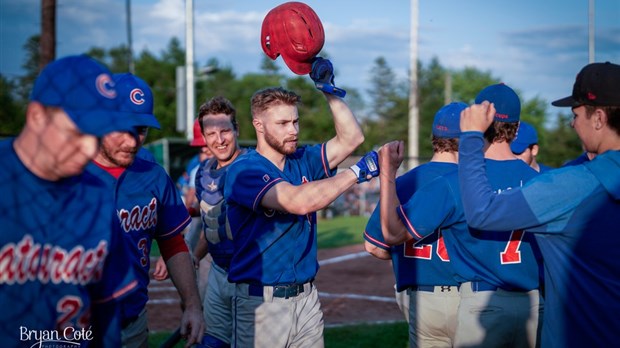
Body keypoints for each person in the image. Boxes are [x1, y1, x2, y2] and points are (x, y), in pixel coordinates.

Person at [457, 62, 620, 347]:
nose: (572, 123)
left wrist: (471, 138)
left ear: (599, 118)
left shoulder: (574, 185)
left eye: (576, 113)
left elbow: (482, 212)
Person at [381, 84, 543, 348]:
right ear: (517, 126)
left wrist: (388, 173)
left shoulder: (454, 182)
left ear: (476, 119)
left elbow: (393, 234)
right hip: (535, 306)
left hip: (483, 306)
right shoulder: (542, 181)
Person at [0, 55, 140, 347]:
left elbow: (107, 309)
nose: (89, 148)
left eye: (97, 134)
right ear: (37, 115)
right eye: (77, 132)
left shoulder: (97, 195)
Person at [224, 85, 379, 347]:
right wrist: (356, 172)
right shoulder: (244, 169)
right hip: (262, 303)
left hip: (306, 298)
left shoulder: (302, 159)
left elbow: (352, 139)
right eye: (283, 123)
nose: (293, 130)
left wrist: (329, 91)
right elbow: (298, 201)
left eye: (295, 121)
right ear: (258, 125)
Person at [85, 72, 204, 347]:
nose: (133, 141)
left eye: (141, 130)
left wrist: (192, 304)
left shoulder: (153, 175)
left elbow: (173, 244)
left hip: (132, 324)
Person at [364, 102, 466, 347]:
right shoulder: (473, 183)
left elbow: (374, 247)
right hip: (467, 296)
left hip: (421, 299)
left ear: (434, 137)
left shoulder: (403, 182)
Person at [187, 96, 245, 347]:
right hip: (218, 274)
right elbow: (212, 226)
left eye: (225, 131)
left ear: (237, 130)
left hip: (249, 279)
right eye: (211, 133)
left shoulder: (254, 166)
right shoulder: (203, 172)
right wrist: (194, 256)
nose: (219, 140)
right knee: (211, 342)